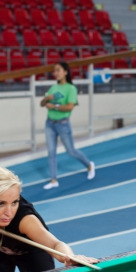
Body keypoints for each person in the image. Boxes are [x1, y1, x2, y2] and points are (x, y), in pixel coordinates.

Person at [41, 62, 95, 190]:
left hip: (63, 125)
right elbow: (42, 103)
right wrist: (47, 98)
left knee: (71, 151)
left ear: (65, 72)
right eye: (54, 70)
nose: (56, 73)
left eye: (58, 70)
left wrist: (54, 106)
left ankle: (89, 165)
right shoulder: (53, 88)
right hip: (50, 124)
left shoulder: (71, 89)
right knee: (51, 152)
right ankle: (53, 180)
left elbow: (70, 107)